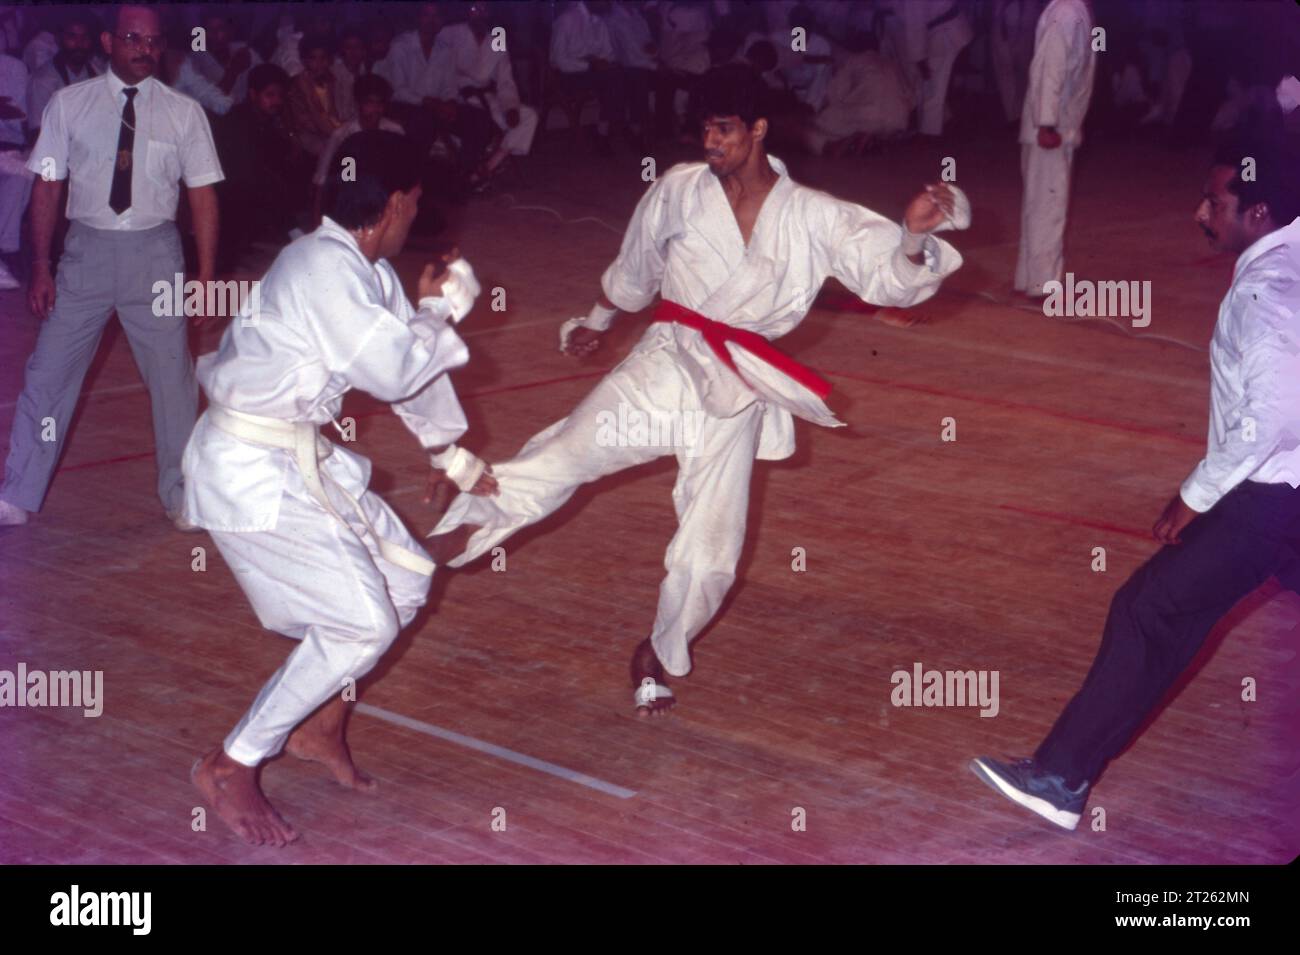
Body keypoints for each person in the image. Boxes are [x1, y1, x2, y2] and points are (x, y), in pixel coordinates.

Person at [428, 68, 963, 717]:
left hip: (735, 389)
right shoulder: (679, 189)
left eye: (726, 128)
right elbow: (635, 267)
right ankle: (451, 528)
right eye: (705, 127)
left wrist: (910, 235)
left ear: (758, 129)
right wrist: (596, 322)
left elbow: (887, 276)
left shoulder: (811, 214)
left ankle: (657, 650)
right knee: (566, 453)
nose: (711, 140)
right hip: (665, 364)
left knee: (711, 549)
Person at [972, 128, 1300, 831]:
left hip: (1271, 498)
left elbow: (1270, 417)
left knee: (1147, 609)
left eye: (1214, 202)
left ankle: (1058, 779)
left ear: (1259, 214)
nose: (1200, 213)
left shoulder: (1266, 293)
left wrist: (1193, 496)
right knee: (1164, 613)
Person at [186, 130, 497, 847]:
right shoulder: (319, 267)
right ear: (390, 204)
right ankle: (231, 763)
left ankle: (321, 725)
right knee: (363, 622)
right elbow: (391, 366)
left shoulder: (368, 272)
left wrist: (448, 455)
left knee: (407, 580)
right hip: (247, 466)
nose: (418, 217)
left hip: (297, 458)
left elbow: (406, 373)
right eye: (414, 204)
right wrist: (441, 311)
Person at [0, 5, 222, 531]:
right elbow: (48, 187)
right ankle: (18, 491)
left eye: (153, 41)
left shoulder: (183, 112)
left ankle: (182, 491)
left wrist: (207, 279)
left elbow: (204, 198)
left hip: (157, 255)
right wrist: (41, 266)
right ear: (107, 41)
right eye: (132, 38)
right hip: (85, 256)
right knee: (49, 374)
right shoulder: (67, 105)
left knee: (173, 379)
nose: (145, 49)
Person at [1014, 0, 1095, 299]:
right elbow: (1049, 67)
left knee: (1040, 205)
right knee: (1048, 206)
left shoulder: (1074, 12)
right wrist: (1046, 123)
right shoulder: (1066, 12)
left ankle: (1031, 278)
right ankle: (1043, 283)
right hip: (1051, 129)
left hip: (1059, 126)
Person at [214, 62, 312, 270]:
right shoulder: (238, 120)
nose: (277, 101)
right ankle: (292, 232)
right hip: (227, 191)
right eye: (270, 95)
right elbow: (245, 168)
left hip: (250, 186)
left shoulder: (267, 118)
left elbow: (284, 152)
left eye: (280, 96)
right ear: (253, 94)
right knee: (267, 180)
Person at [443, 1, 538, 190]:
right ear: (466, 11)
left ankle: (488, 167)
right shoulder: (451, 33)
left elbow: (505, 78)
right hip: (457, 97)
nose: (478, 13)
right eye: (474, 9)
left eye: (484, 9)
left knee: (528, 116)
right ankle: (469, 170)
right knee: (477, 124)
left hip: (488, 97)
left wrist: (511, 106)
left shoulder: (497, 36)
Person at [173, 9, 259, 118]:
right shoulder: (195, 59)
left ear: (230, 31)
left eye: (221, 28)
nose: (215, 35)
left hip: (247, 115)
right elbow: (211, 104)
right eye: (210, 30)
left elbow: (267, 80)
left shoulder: (244, 49)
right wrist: (233, 72)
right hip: (216, 121)